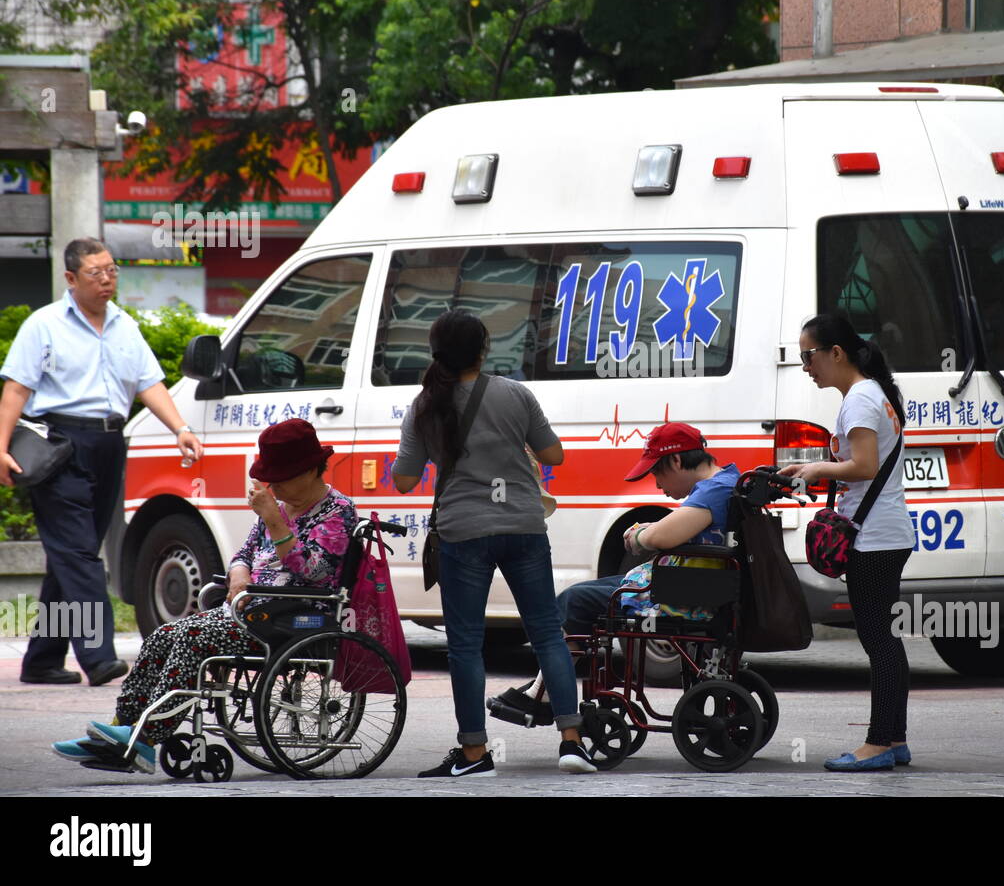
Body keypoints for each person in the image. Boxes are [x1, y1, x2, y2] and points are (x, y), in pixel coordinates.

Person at [51, 419, 356, 772]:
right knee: (164, 635)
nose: (274, 486)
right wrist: (239, 572)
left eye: (282, 477)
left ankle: (146, 739)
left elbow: (314, 570)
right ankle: (121, 728)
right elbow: (244, 553)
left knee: (194, 638)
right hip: (255, 610)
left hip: (296, 616)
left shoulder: (338, 512)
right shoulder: (282, 506)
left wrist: (274, 521)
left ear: (310, 470)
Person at [391, 309, 589, 777]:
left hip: (464, 533)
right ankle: (573, 743)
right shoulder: (516, 395)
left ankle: (475, 754)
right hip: (523, 527)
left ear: (435, 352)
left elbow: (403, 481)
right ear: (483, 350)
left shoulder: (423, 407)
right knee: (546, 633)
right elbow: (554, 454)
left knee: (465, 646)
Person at [0, 238, 204, 688]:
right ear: (71, 279)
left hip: (110, 445)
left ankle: (42, 660)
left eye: (112, 269)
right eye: (96, 272)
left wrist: (180, 428)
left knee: (73, 556)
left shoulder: (123, 325)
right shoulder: (44, 325)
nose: (107, 279)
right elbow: (16, 389)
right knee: (79, 556)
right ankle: (99, 655)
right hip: (59, 445)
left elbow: (148, 383)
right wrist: (0, 446)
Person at [488, 422, 741, 723]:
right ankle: (547, 687)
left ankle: (547, 693)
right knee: (588, 592)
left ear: (675, 461)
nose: (658, 485)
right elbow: (674, 527)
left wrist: (638, 535)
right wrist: (651, 529)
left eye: (657, 474)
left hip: (685, 593)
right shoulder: (728, 481)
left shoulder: (714, 491)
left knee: (576, 600)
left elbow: (661, 537)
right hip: (693, 583)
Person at [779, 314, 914, 772]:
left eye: (808, 356)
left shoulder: (859, 398)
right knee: (886, 640)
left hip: (873, 536)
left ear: (836, 352)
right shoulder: (874, 392)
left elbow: (864, 466)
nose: (805, 366)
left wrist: (816, 470)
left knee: (879, 641)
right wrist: (811, 467)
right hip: (886, 531)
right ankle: (893, 739)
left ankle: (878, 744)